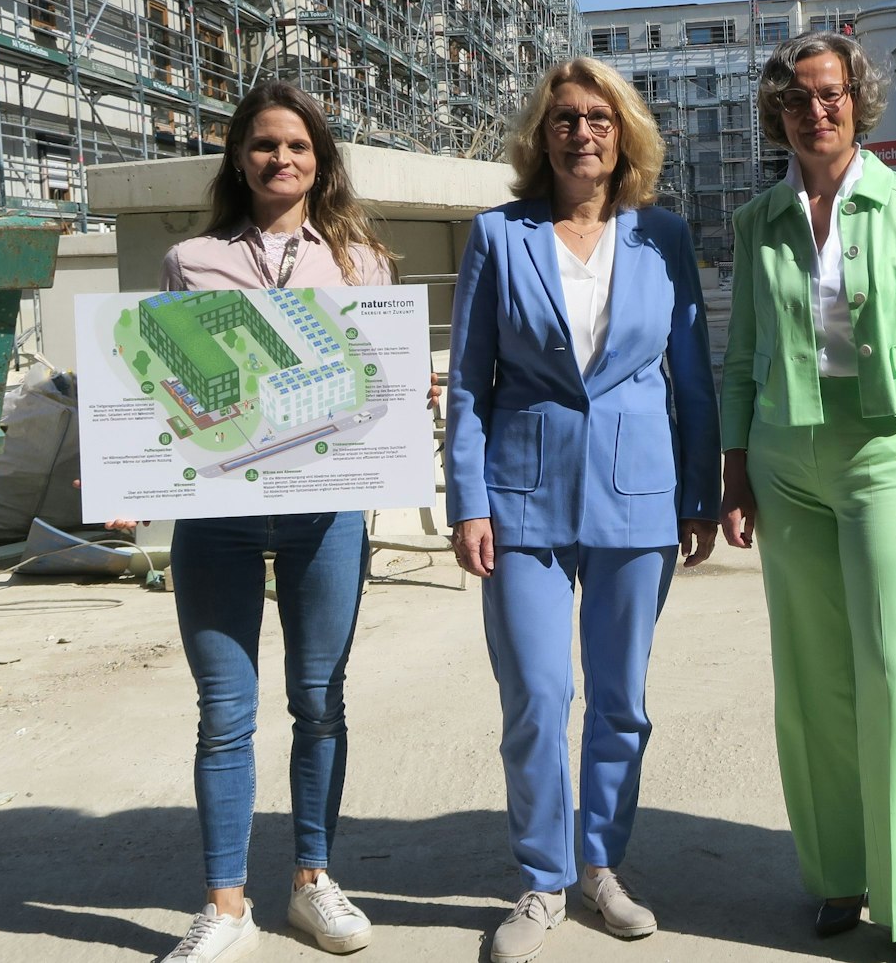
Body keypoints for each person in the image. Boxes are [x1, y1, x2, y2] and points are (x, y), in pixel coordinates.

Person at [444, 57, 719, 963]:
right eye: (565, 117)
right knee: (535, 692)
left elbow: (691, 373)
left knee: (620, 697)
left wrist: (700, 491)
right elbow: (470, 381)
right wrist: (467, 499)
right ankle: (542, 875)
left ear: (624, 133)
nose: (582, 133)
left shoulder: (661, 236)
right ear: (542, 134)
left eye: (600, 118)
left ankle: (600, 862)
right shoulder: (499, 235)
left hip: (638, 491)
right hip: (521, 494)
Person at [718, 31, 896, 963]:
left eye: (830, 94)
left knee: (894, 673)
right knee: (810, 677)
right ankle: (837, 872)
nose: (814, 111)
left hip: (880, 456)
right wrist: (736, 466)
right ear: (776, 112)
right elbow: (744, 351)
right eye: (795, 98)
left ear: (859, 100)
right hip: (785, 458)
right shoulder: (758, 220)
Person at [156, 79, 394, 962]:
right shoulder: (191, 260)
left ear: (320, 161)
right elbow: (168, 382)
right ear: (238, 158)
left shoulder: (361, 263)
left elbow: (374, 385)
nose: (280, 158)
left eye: (297, 145)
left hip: (323, 518)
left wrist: (405, 392)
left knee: (319, 703)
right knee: (223, 712)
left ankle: (311, 880)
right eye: (263, 144)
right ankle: (226, 904)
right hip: (217, 519)